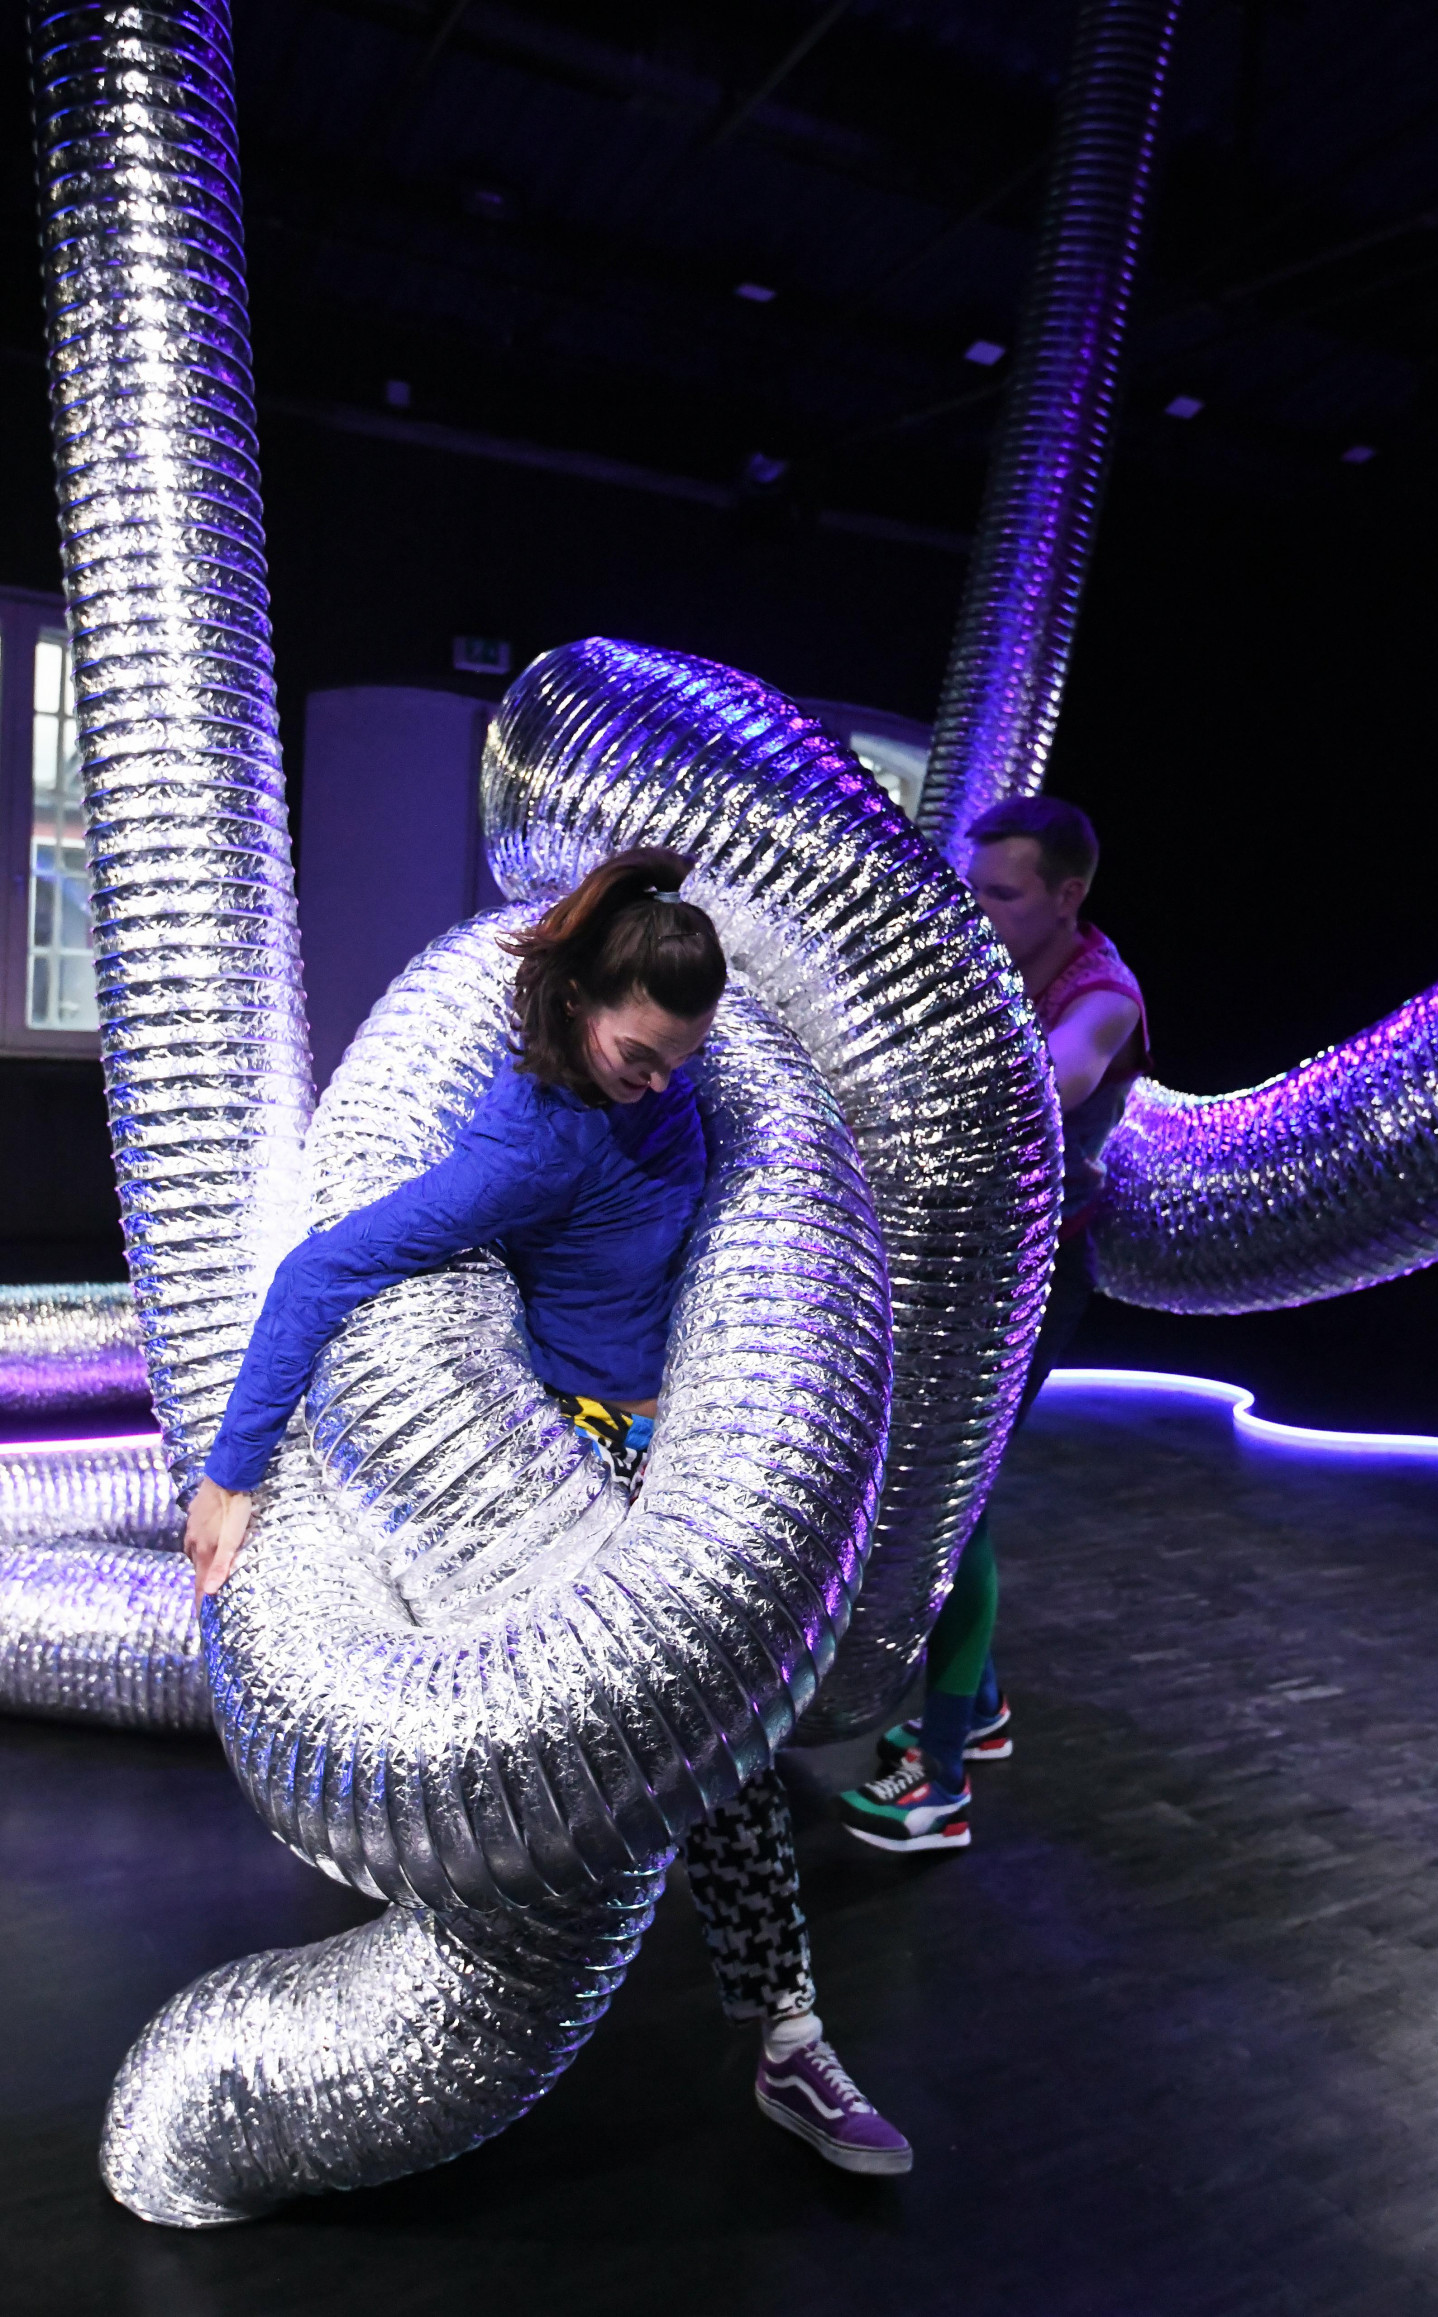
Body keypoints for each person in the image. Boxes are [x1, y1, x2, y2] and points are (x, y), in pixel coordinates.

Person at [184, 847, 912, 2177]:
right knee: (705, 1727)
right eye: (640, 1056)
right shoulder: (528, 1146)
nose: (663, 1082)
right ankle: (787, 2033)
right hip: (581, 1449)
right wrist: (231, 1475)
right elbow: (320, 1270)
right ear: (579, 1004)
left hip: (682, 1433)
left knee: (733, 1723)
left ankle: (787, 2033)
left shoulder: (662, 1081)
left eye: (683, 1061)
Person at [837, 796, 1147, 1854]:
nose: (977, 910)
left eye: (1001, 894)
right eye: (971, 888)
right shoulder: (989, 959)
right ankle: (982, 1701)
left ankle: (942, 1783)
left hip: (1032, 1278)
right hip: (964, 1259)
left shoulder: (1103, 995)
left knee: (951, 1507)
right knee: (938, 1494)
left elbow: (1055, 1079)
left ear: (1068, 895)